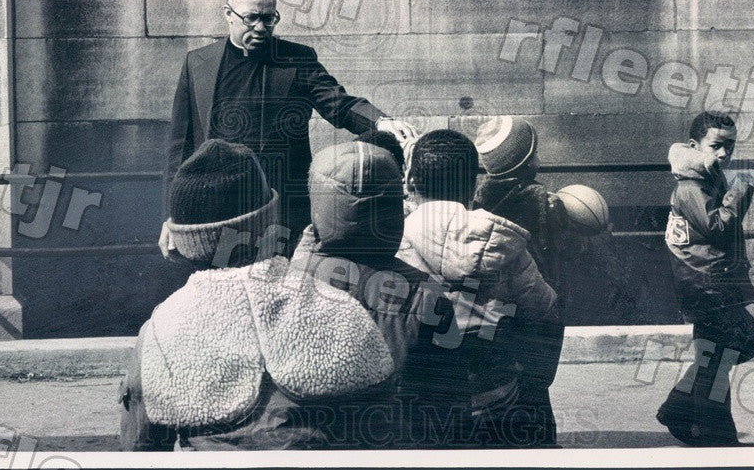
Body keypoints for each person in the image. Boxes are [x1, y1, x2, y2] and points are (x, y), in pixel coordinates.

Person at [121, 138, 448, 450]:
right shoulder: (344, 311)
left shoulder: (158, 334)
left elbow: (140, 447)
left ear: (180, 240)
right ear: (269, 221)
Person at [163, 0, 415, 253]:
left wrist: (380, 121)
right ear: (228, 14)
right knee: (224, 278)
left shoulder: (297, 59)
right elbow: (179, 149)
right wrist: (172, 217)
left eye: (269, 18)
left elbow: (338, 103)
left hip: (283, 215)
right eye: (251, 18)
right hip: (218, 215)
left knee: (280, 278)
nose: (261, 27)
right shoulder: (196, 63)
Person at [395, 129, 560, 447]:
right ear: (473, 186)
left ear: (411, 183)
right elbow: (546, 314)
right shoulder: (501, 242)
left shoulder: (392, 240)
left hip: (422, 411)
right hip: (499, 400)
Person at [656, 111, 754, 446]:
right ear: (694, 145)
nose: (725, 153)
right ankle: (701, 424)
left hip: (710, 280)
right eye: (717, 146)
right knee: (722, 354)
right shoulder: (691, 186)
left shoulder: (705, 176)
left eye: (730, 146)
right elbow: (719, 227)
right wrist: (742, 189)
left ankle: (688, 416)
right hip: (707, 283)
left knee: (717, 356)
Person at [472, 116, 570, 447]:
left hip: (496, 307)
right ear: (528, 160)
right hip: (537, 301)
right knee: (536, 385)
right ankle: (542, 445)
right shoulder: (543, 201)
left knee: (509, 380)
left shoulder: (479, 197)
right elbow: (560, 252)